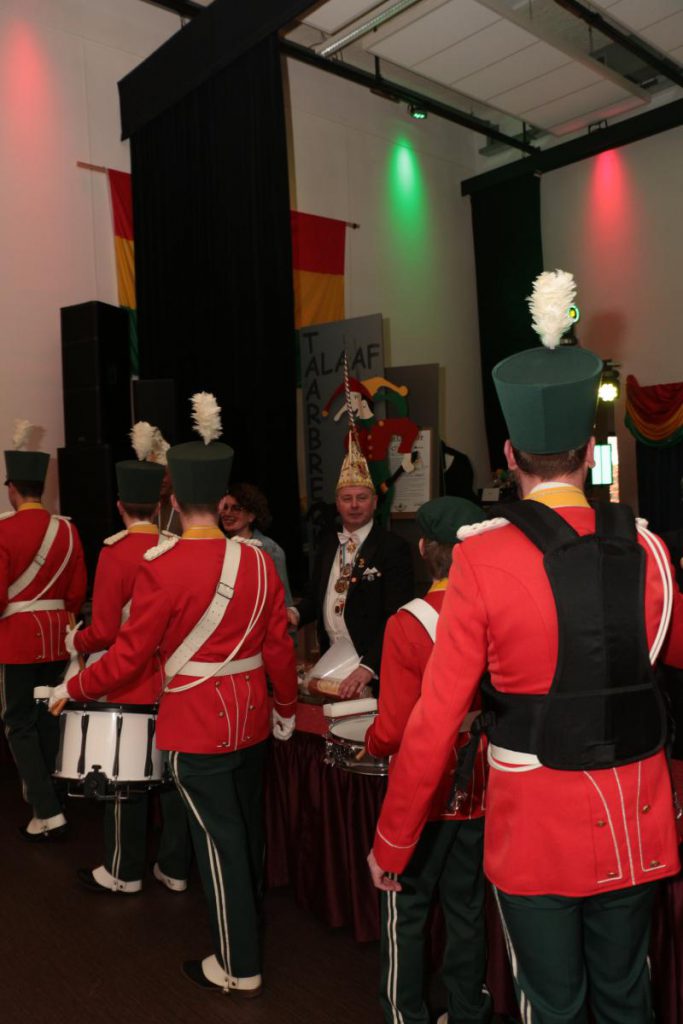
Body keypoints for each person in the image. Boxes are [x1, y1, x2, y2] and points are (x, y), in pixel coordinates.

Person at [368, 270, 683, 1024]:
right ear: (587, 447)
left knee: (552, 1004)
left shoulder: (480, 557)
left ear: (509, 453)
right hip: (635, 810)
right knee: (627, 995)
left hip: (535, 823)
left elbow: (436, 720)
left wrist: (393, 839)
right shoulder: (649, 549)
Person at [52, 392, 297, 995]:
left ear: (176, 501)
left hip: (196, 725)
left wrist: (73, 686)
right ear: (220, 499)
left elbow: (128, 658)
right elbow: (278, 648)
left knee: (221, 845)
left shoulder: (160, 567)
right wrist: (287, 708)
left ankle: (238, 964)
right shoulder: (259, 562)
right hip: (252, 719)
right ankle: (248, 936)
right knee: (247, 833)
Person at [364, 496, 490, 1024]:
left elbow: (393, 730)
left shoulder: (407, 624)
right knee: (467, 908)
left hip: (425, 787)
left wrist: (371, 742)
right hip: (481, 783)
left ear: (422, 549)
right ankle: (467, 1012)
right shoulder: (492, 613)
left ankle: (405, 1014)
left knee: (406, 909)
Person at [68, 424, 192, 895]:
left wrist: (75, 642)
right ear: (159, 507)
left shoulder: (115, 554)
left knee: (123, 777)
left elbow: (103, 631)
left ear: (120, 506)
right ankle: (175, 868)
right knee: (173, 779)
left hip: (128, 681)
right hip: (174, 680)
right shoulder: (176, 547)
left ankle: (123, 871)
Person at [0, 420, 87, 840]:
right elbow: (76, 594)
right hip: (55, 637)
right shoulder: (67, 530)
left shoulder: (3, 530)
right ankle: (53, 795)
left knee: (18, 724)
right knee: (48, 719)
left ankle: (47, 810)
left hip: (16, 640)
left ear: (12, 489)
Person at [295, 426, 414, 698]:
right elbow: (315, 597)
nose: (354, 505)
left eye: (362, 498)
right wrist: (295, 614)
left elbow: (397, 617)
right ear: (337, 503)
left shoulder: (393, 547)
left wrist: (369, 666)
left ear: (375, 502)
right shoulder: (327, 544)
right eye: (347, 499)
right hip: (332, 661)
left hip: (372, 666)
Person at [219, 482, 297, 626]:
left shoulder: (269, 550)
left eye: (236, 508)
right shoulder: (219, 547)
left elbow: (284, 605)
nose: (227, 513)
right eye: (225, 507)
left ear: (251, 516)